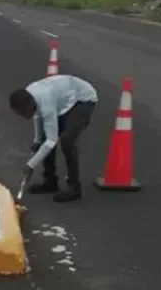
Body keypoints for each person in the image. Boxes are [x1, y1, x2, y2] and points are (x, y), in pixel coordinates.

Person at [9, 74, 98, 203]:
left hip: (82, 99)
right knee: (44, 141)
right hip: (63, 101)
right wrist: (37, 140)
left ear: (30, 104)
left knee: (67, 140)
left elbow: (51, 140)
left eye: (23, 112)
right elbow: (37, 115)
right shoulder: (30, 96)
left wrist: (31, 165)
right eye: (19, 114)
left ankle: (74, 187)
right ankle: (50, 181)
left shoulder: (45, 100)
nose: (23, 116)